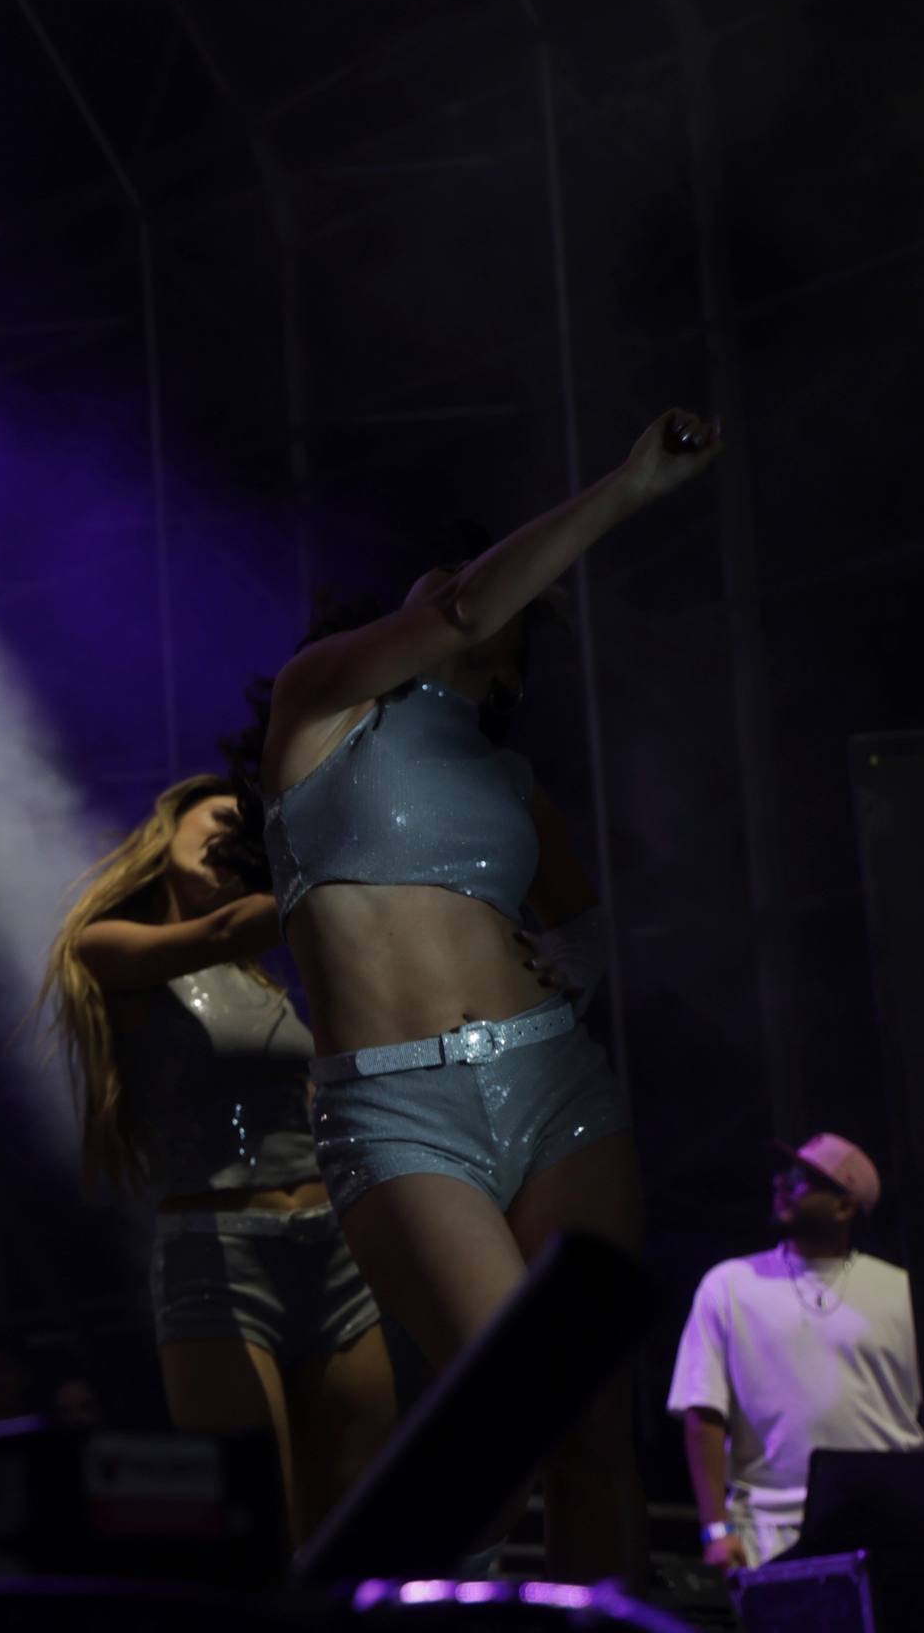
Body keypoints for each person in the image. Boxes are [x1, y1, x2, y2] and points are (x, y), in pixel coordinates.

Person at [254, 408, 721, 1581]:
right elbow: (454, 610)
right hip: (394, 1112)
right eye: (452, 576)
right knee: (505, 1415)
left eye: (486, 590)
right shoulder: (322, 708)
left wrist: (572, 962)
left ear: (514, 656)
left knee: (594, 1440)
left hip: (554, 1085)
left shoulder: (507, 780)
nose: (461, 586)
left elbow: (581, 920)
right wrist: (622, 490)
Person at [41, 773, 393, 1551]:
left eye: (248, 834)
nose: (233, 837)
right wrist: (332, 860)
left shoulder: (260, 978)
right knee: (259, 1519)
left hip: (332, 1250)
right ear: (166, 831)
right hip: (217, 1255)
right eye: (221, 820)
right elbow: (215, 934)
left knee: (361, 1510)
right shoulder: (109, 944)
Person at [668, 1133, 923, 1573]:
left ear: (844, 1207)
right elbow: (703, 1414)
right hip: (769, 1532)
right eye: (785, 1173)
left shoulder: (903, 1292)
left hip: (891, 1527)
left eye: (805, 1180)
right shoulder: (730, 1285)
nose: (783, 1183)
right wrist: (715, 1530)